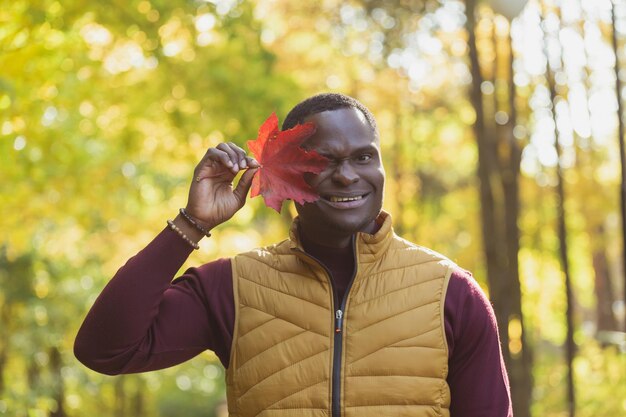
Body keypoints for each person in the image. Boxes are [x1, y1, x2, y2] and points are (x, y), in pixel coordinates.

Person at [75, 93, 512, 417]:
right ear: (286, 176)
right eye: (323, 162)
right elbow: (105, 350)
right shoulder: (231, 287)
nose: (347, 176)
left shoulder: (451, 293)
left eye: (363, 157)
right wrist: (192, 224)